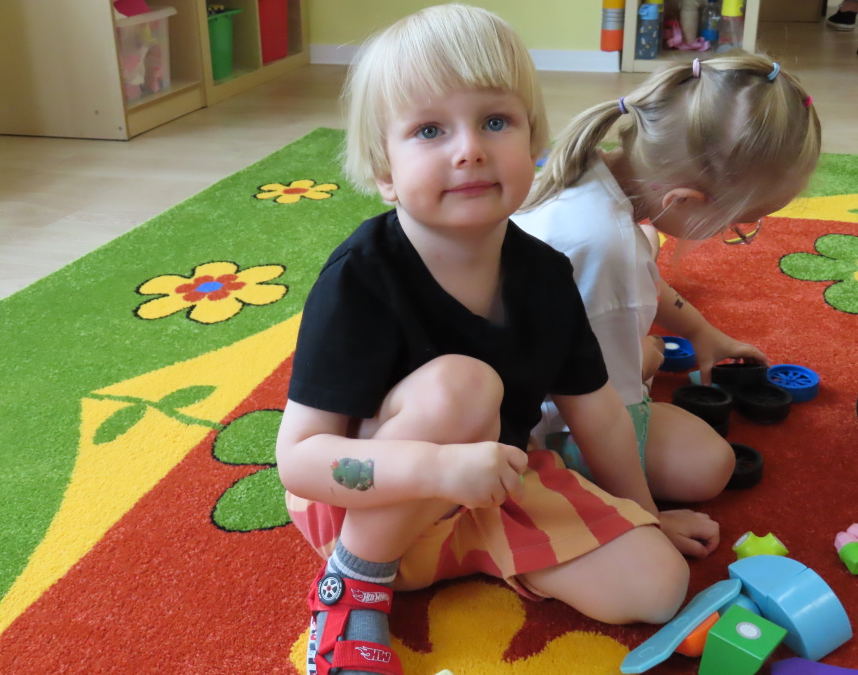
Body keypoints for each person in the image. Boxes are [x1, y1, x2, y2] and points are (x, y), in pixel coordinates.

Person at [276, 6, 705, 675]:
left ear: (532, 141)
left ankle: (468, 556)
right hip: (369, 504)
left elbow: (598, 414)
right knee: (466, 384)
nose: (469, 149)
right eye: (429, 130)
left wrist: (641, 513)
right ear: (384, 170)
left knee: (659, 585)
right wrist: (434, 470)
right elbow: (300, 463)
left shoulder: (546, 275)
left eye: (495, 121)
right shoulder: (361, 277)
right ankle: (352, 587)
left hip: (485, 488)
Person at [514, 54, 821, 513]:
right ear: (683, 200)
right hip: (528, 420)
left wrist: (700, 331)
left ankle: (639, 354)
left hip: (534, 350)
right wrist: (642, 515)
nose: (731, 233)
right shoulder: (609, 252)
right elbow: (601, 415)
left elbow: (637, 279)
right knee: (708, 463)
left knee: (646, 247)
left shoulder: (589, 172)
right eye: (736, 225)